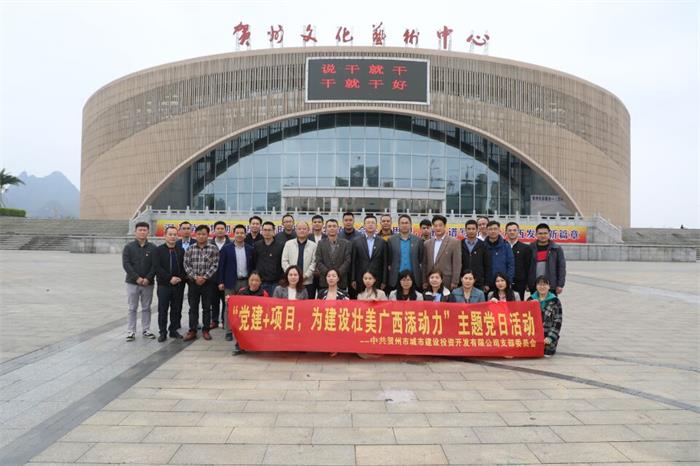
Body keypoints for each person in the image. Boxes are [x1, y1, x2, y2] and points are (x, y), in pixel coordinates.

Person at [183, 224, 219, 341]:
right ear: (195, 235)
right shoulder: (190, 248)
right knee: (193, 308)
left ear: (208, 235)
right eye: (199, 234)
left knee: (207, 307)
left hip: (207, 283)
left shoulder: (213, 249)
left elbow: (215, 265)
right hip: (193, 283)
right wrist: (195, 277)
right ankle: (192, 330)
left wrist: (204, 277)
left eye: (204, 234)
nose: (201, 236)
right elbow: (186, 265)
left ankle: (206, 330)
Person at [218, 224, 254, 341]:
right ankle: (229, 331)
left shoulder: (250, 249)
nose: (239, 235)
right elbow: (221, 266)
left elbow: (252, 266)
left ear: (245, 234)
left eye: (242, 233)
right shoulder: (226, 249)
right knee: (229, 307)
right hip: (230, 283)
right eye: (237, 233)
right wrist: (221, 281)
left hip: (245, 282)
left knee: (245, 307)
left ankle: (244, 330)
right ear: (234, 234)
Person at [122, 221, 157, 341]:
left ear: (148, 232)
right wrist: (137, 278)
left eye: (144, 230)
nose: (142, 232)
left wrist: (148, 278)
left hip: (148, 283)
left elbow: (155, 265)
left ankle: (146, 329)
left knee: (146, 307)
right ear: (135, 232)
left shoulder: (153, 248)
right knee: (132, 307)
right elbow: (126, 264)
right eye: (140, 230)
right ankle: (131, 331)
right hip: (132, 282)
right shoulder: (129, 247)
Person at [153, 226, 185, 341]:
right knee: (163, 309)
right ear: (165, 236)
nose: (172, 237)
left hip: (178, 285)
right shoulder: (158, 250)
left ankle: (173, 330)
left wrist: (180, 278)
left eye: (175, 234)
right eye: (170, 234)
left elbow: (184, 266)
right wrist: (169, 278)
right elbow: (157, 267)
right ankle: (162, 332)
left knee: (176, 309)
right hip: (164, 285)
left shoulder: (180, 250)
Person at [231, 271, 269, 355]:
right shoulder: (242, 291)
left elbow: (267, 310)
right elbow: (236, 306)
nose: (254, 283)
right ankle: (239, 345)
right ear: (248, 281)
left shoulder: (264, 294)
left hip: (257, 318)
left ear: (260, 282)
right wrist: (229, 300)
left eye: (257, 280)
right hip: (245, 317)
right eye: (252, 280)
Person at [351, 214, 388, 293]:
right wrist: (353, 279)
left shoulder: (382, 242)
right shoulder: (356, 241)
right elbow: (353, 262)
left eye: (373, 223)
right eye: (368, 223)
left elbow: (385, 263)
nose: (370, 224)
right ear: (364, 226)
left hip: (377, 279)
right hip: (360, 278)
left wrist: (384, 281)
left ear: (376, 226)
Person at [423, 215, 461, 291]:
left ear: (445, 226)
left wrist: (455, 281)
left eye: (440, 225)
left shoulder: (454, 242)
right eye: (435, 226)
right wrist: (424, 281)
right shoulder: (427, 243)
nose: (438, 228)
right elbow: (425, 264)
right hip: (430, 281)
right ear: (433, 227)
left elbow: (457, 264)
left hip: (447, 281)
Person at [388, 214, 424, 293]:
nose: (404, 225)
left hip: (413, 277)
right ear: (398, 225)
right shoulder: (391, 240)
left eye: (406, 223)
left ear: (410, 224)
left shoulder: (418, 240)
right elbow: (389, 260)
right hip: (396, 277)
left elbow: (421, 259)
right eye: (402, 223)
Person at [527, 223, 566, 296]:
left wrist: (560, 284)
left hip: (551, 285)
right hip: (534, 285)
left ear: (549, 234)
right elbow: (526, 267)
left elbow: (561, 268)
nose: (543, 235)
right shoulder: (530, 248)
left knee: (551, 303)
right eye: (540, 233)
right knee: (535, 303)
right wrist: (527, 283)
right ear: (536, 234)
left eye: (545, 233)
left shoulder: (556, 248)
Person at [281, 221, 317, 299]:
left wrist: (306, 275)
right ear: (295, 230)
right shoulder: (288, 244)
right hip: (291, 281)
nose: (302, 231)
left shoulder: (314, 245)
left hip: (307, 282)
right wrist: (291, 275)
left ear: (308, 230)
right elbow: (284, 261)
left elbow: (314, 263)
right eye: (299, 229)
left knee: (307, 304)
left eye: (304, 229)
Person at [528, 276, 563, 356]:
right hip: (533, 336)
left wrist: (550, 337)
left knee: (547, 353)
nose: (542, 287)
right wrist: (532, 306)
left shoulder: (555, 301)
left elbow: (557, 321)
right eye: (539, 285)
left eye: (544, 285)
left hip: (547, 335)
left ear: (549, 286)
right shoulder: (530, 299)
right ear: (536, 286)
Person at [315, 219, 352, 292]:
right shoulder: (321, 243)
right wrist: (328, 274)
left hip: (341, 281)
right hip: (325, 281)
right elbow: (318, 260)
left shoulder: (346, 243)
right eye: (329, 226)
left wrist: (337, 274)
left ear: (338, 228)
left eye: (334, 226)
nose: (332, 228)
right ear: (325, 229)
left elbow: (347, 261)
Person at [209, 221, 231, 330]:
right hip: (212, 278)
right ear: (214, 230)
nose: (220, 230)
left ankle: (224, 320)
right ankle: (214, 320)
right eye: (218, 228)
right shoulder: (209, 244)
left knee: (225, 301)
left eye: (222, 228)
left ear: (226, 230)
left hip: (226, 278)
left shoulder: (230, 244)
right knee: (214, 301)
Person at [253, 221, 284, 296]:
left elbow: (282, 263)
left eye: (269, 230)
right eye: (265, 230)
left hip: (275, 283)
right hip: (260, 282)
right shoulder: (257, 245)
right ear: (262, 231)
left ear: (274, 232)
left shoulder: (280, 246)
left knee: (273, 302)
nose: (267, 232)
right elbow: (254, 262)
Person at [484, 220, 514, 293]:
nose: (493, 231)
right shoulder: (482, 246)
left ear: (499, 230)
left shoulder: (506, 245)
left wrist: (508, 281)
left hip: (502, 283)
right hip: (487, 284)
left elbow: (511, 265)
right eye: (490, 229)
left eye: (495, 229)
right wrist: (484, 283)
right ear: (487, 231)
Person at [461, 219, 491, 290]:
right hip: (463, 281)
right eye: (469, 229)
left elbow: (487, 265)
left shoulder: (483, 245)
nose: (471, 231)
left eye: (473, 229)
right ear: (465, 230)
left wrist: (487, 283)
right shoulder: (460, 244)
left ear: (477, 230)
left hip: (479, 281)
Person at [505, 221, 532, 301]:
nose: (512, 232)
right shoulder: (502, 246)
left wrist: (528, 283)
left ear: (518, 232)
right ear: (506, 232)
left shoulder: (525, 248)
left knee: (518, 304)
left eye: (514, 230)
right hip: (503, 281)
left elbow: (528, 266)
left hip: (520, 282)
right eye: (509, 230)